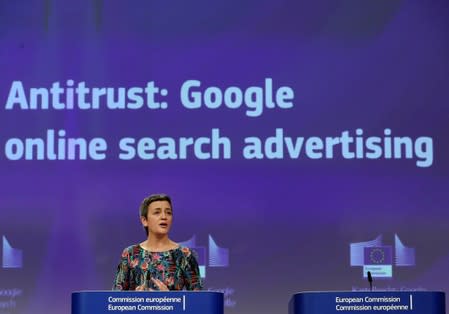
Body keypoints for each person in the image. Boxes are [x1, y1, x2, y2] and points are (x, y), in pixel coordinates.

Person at [112, 194, 202, 291]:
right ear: (144, 220)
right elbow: (115, 298)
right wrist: (135, 298)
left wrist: (171, 300)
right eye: (157, 212)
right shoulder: (130, 253)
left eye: (168, 213)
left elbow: (198, 301)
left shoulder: (185, 254)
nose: (164, 217)